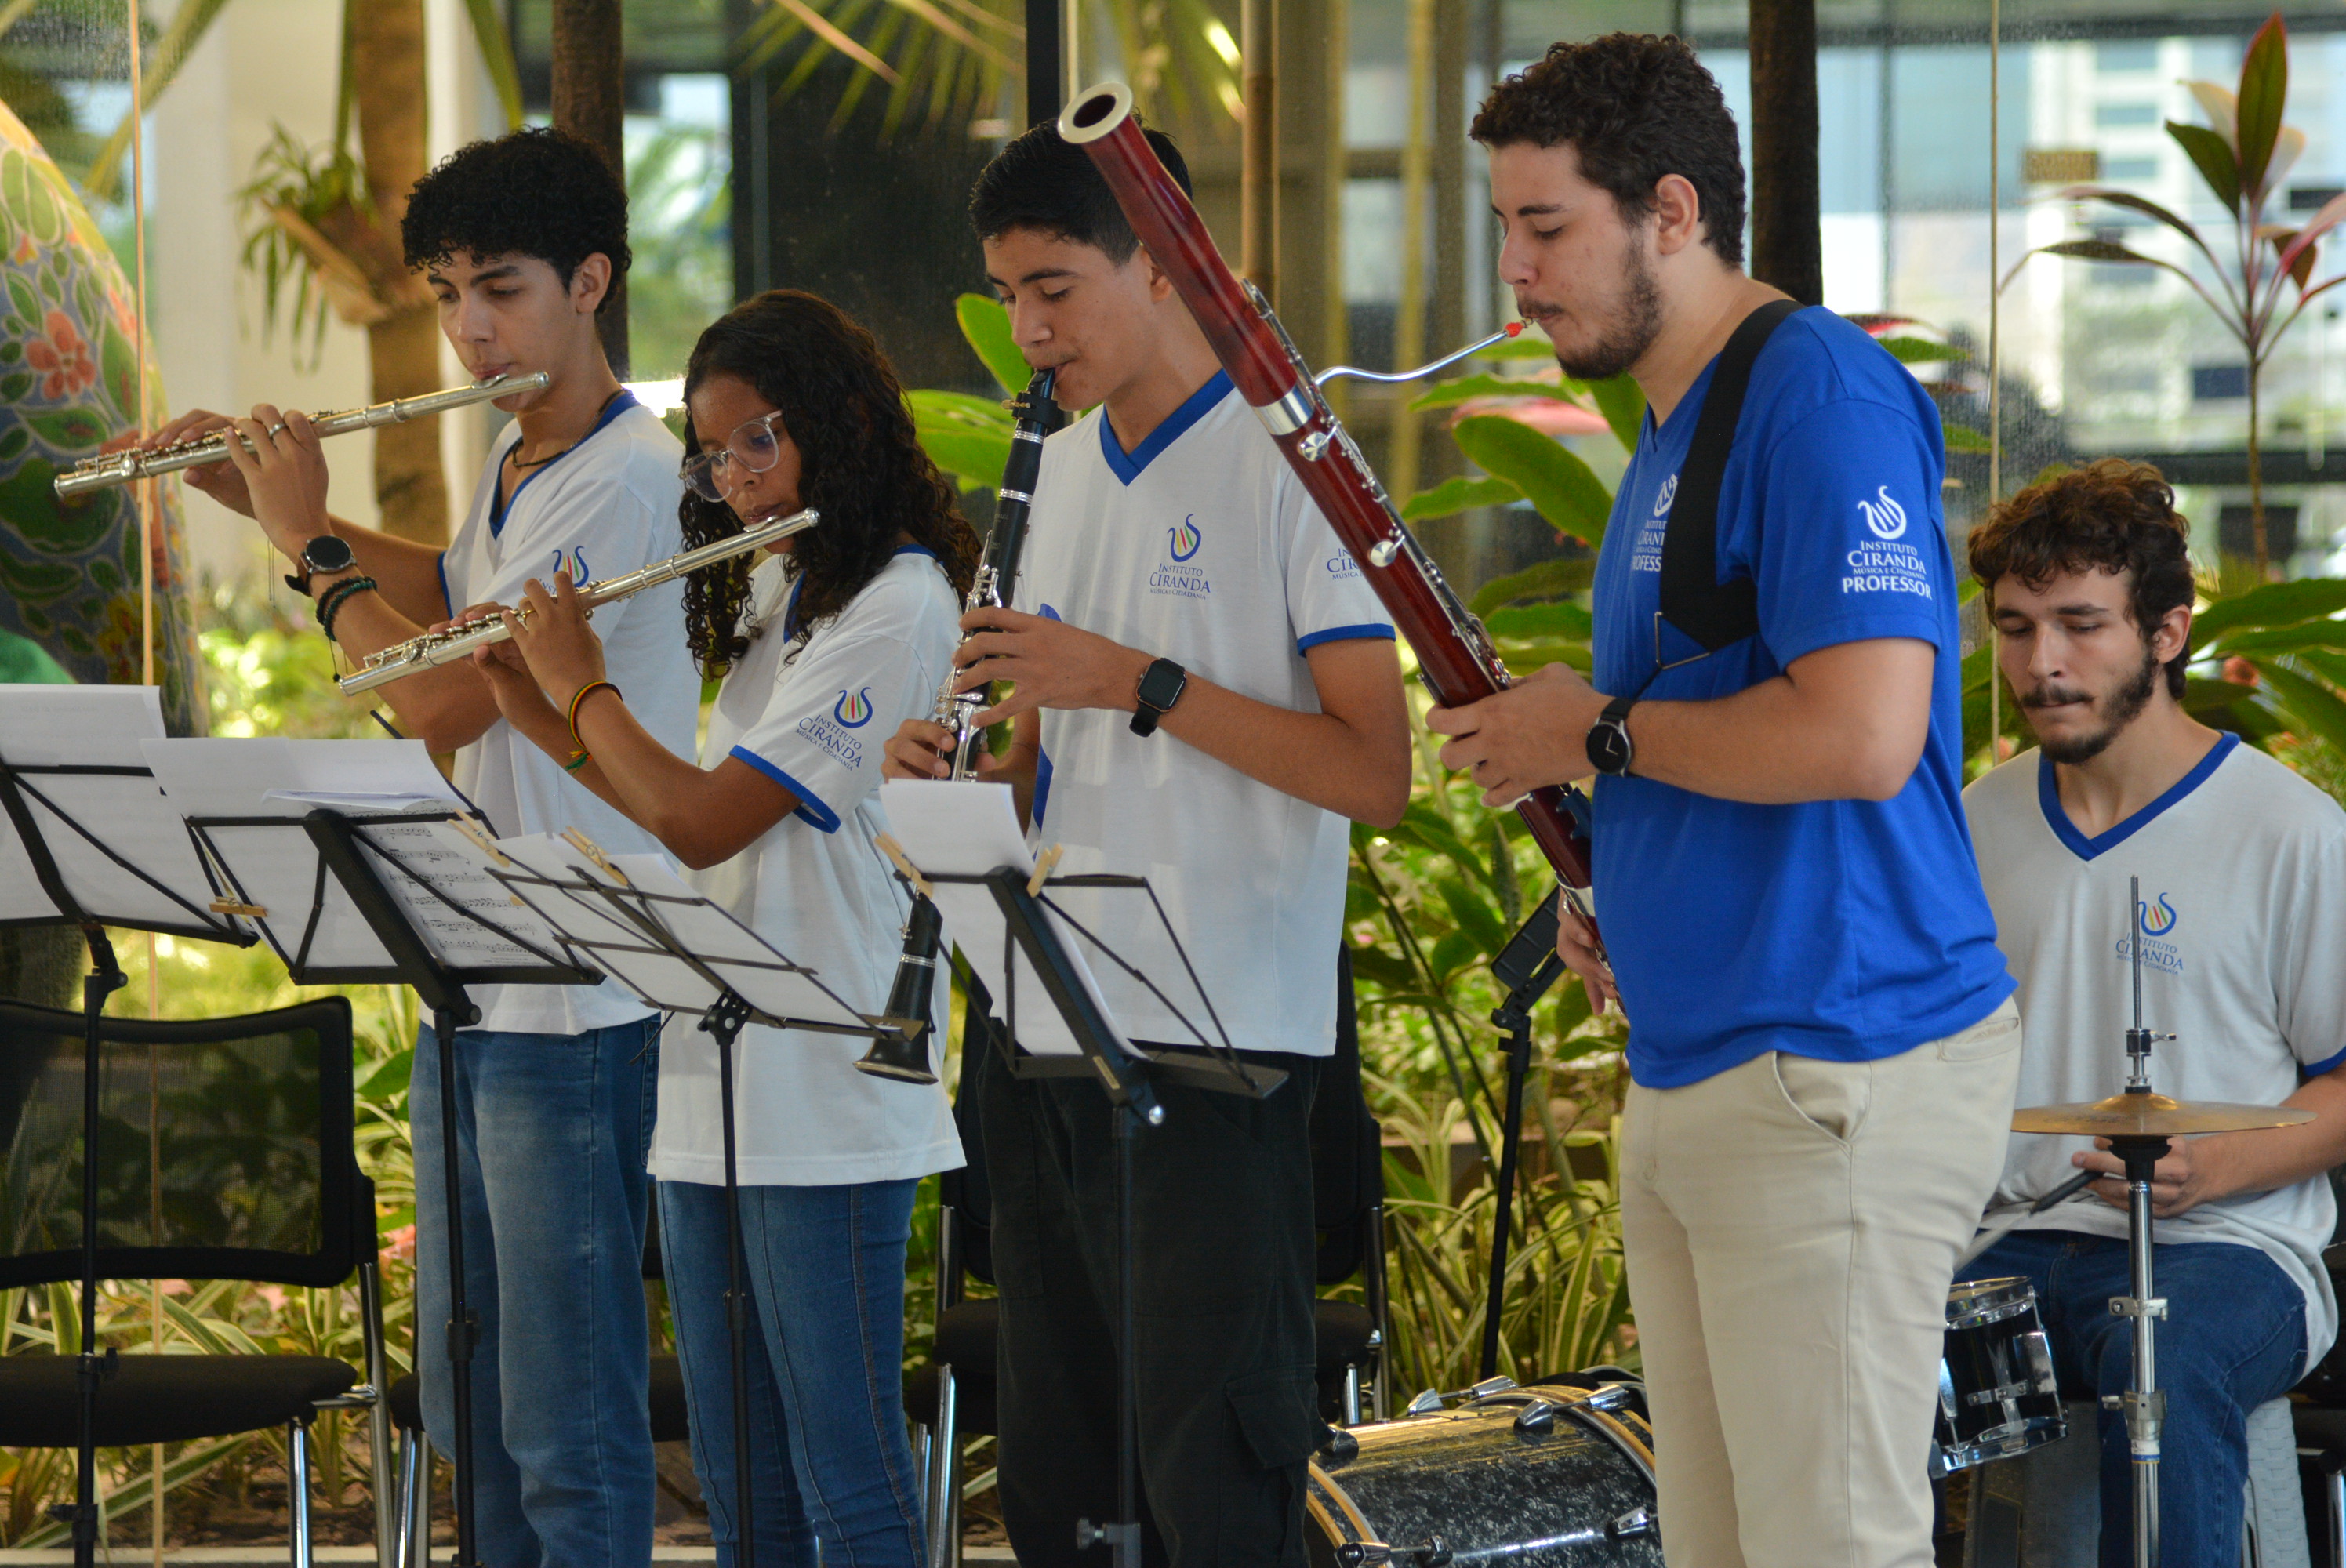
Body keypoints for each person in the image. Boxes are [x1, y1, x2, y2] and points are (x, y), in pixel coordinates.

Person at [1423, 34, 2019, 1568]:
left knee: (1828, 1543)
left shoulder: (1811, 393)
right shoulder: (1671, 430)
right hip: (1714, 1059)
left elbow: (1864, 734)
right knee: (1724, 1547)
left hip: (1831, 1055)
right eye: (1503, 228)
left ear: (1671, 212)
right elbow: (1706, 735)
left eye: (1546, 226)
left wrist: (1589, 732)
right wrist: (1616, 880)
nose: (1515, 271)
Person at [149, 127, 695, 1568]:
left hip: (578, 994)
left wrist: (308, 546)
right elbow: (454, 595)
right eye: (449, 293)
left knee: (563, 1421)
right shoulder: (528, 455)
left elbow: (444, 697)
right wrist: (261, 502)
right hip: (486, 975)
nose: (468, 329)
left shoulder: (623, 477)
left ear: (590, 284)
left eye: (501, 290)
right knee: (473, 1403)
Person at [880, 121, 1411, 1568]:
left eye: (1056, 287)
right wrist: (961, 784)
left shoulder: (1291, 464)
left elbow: (1377, 774)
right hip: (1047, 1030)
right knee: (1064, 1482)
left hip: (1218, 1043)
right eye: (1009, 296)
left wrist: (1138, 680)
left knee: (1212, 1484)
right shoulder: (1052, 470)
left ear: (1168, 264)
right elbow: (1044, 776)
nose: (1029, 331)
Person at [470, 288, 972, 1568]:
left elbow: (701, 825)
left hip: (833, 1082)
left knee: (849, 1476)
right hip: (716, 1073)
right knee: (747, 1491)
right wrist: (534, 710)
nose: (737, 480)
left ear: (841, 424)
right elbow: (676, 805)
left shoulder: (902, 604)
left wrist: (581, 681)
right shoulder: (778, 585)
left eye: (759, 441)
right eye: (713, 454)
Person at [1958, 459, 2346, 1566]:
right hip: (2013, 1242)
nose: (2043, 663)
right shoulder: (1971, 826)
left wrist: (2213, 1169)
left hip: (2232, 1251)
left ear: (2168, 634)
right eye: (2018, 628)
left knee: (2158, 1364)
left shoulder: (2291, 833)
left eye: (2082, 626)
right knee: (1866, 1357)